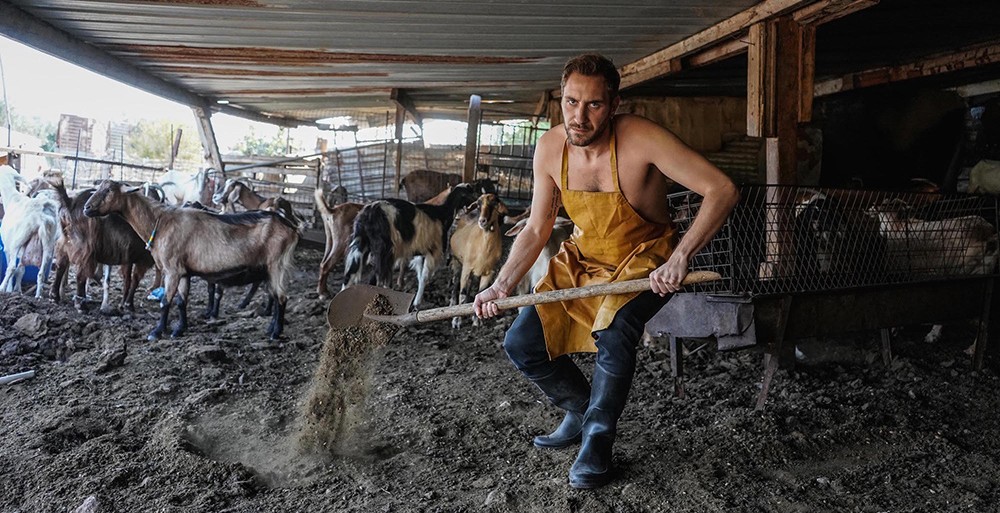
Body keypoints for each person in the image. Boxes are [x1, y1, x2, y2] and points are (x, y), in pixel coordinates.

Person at [473, 53, 739, 489]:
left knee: (615, 333)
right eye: (572, 102)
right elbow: (539, 226)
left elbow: (721, 189)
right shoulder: (549, 148)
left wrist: (681, 255)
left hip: (646, 258)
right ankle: (580, 410)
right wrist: (501, 285)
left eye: (594, 104)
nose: (580, 116)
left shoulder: (642, 138)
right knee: (522, 343)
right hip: (584, 258)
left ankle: (597, 439)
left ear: (613, 104)